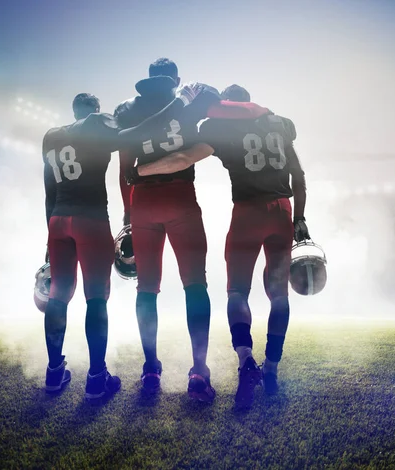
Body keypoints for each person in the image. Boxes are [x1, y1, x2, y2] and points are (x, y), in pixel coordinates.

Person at [132, 84, 311, 409]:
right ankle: (271, 368)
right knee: (279, 294)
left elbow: (183, 158)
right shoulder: (281, 123)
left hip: (246, 214)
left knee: (237, 293)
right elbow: (298, 177)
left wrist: (143, 169)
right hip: (282, 210)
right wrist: (299, 217)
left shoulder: (222, 129)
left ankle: (246, 360)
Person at [115, 59, 269, 402]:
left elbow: (125, 167)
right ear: (177, 80)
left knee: (147, 288)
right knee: (195, 285)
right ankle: (199, 370)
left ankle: (151, 368)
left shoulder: (128, 108)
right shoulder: (193, 97)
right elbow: (235, 112)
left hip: (142, 202)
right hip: (181, 198)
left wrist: (128, 215)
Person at [42, 93, 121, 401]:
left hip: (59, 220)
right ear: (95, 113)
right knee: (96, 298)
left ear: (73, 111)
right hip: (91, 219)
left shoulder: (51, 135)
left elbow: (49, 188)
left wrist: (50, 232)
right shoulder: (98, 126)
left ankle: (53, 372)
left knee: (58, 296)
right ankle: (97, 378)